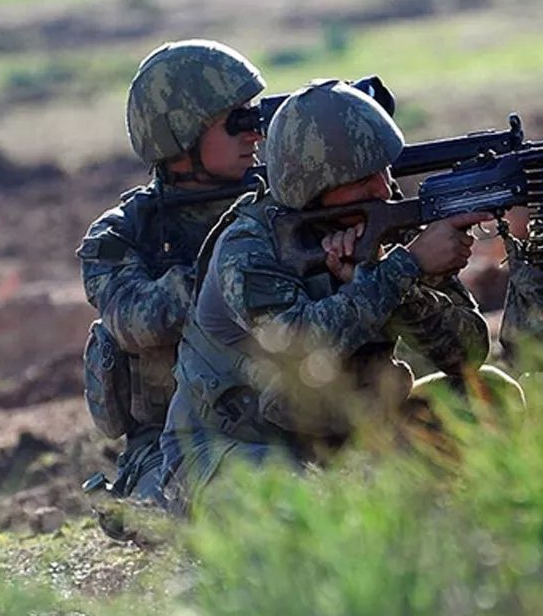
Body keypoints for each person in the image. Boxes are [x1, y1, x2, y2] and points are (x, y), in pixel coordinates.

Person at [160, 80, 494, 511]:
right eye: (361, 179)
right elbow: (301, 349)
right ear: (311, 189)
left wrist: (396, 282)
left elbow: (467, 354)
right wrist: (401, 269)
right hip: (227, 449)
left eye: (384, 170)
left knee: (487, 396)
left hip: (342, 437)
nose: (381, 188)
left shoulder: (383, 219)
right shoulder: (248, 247)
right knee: (305, 507)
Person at [77, 39, 266, 506]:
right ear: (182, 135)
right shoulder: (124, 234)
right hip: (173, 445)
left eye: (256, 117)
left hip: (291, 421)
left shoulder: (279, 206)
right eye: (237, 121)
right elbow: (135, 320)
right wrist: (239, 265)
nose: (255, 135)